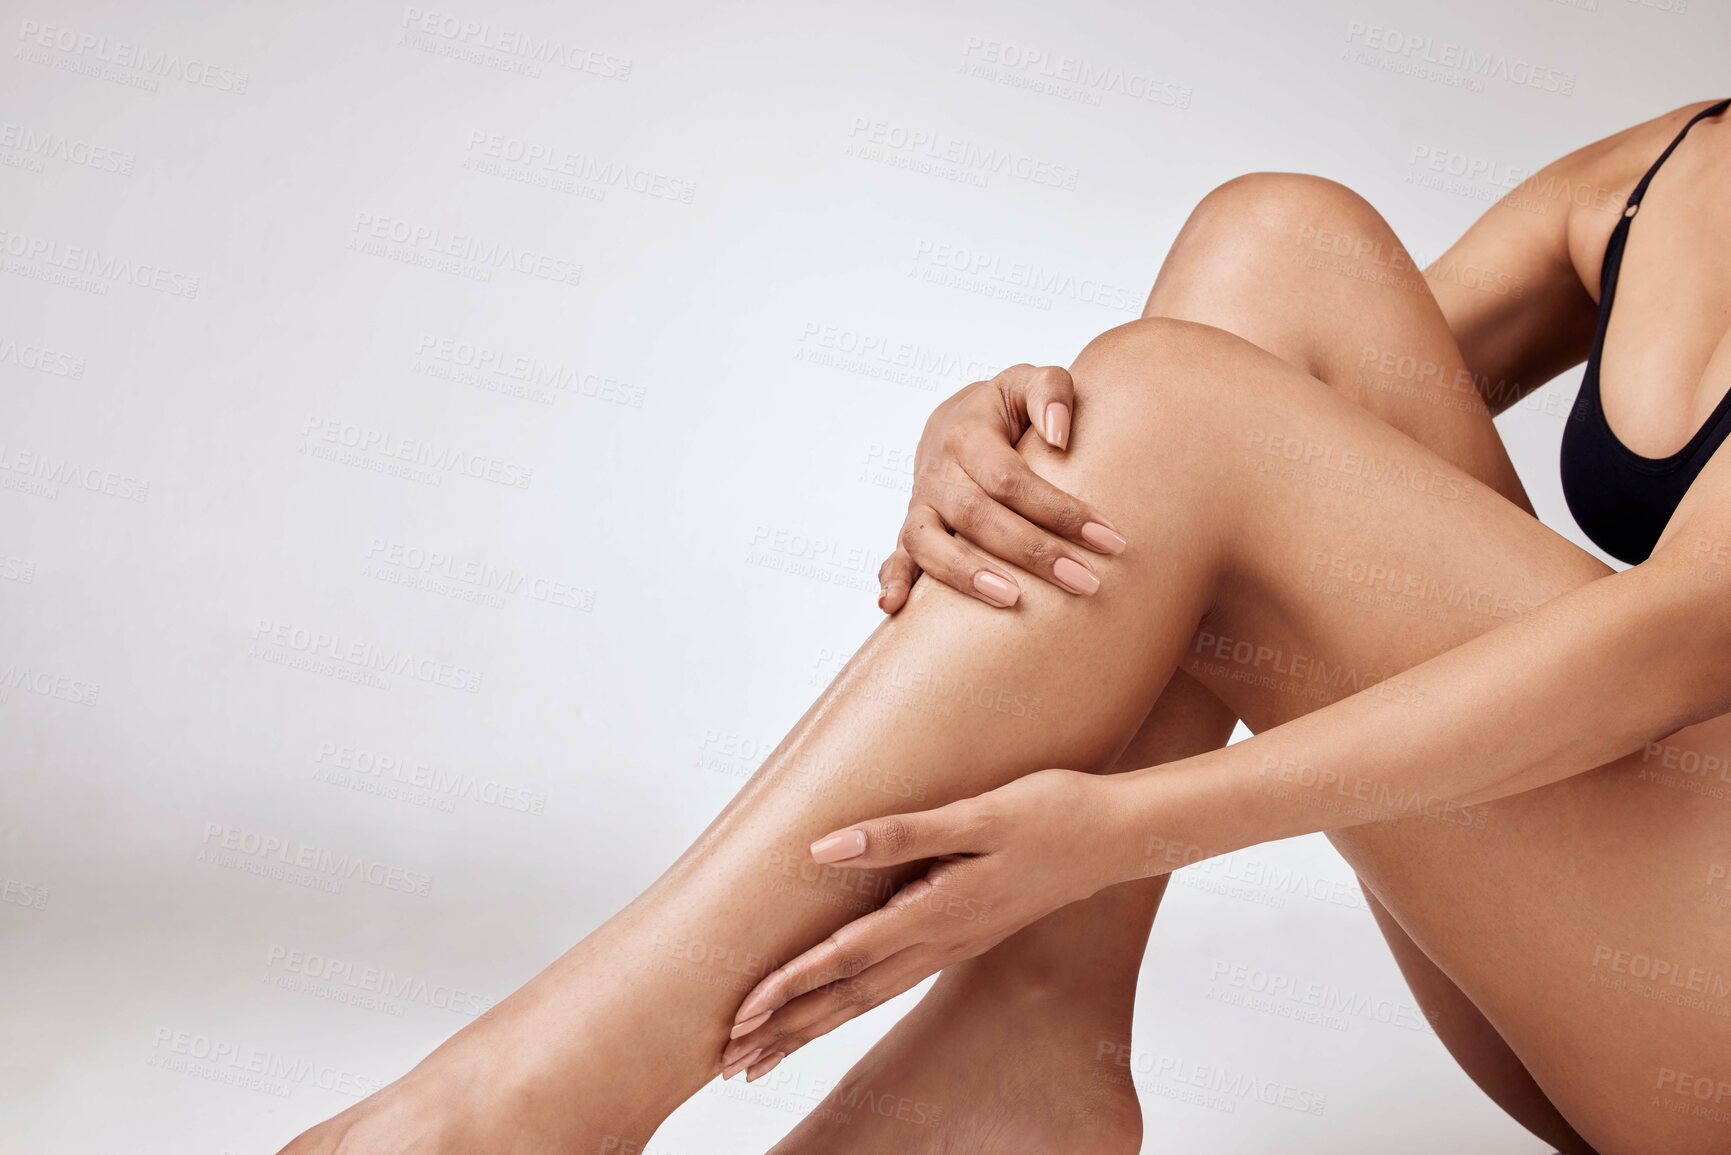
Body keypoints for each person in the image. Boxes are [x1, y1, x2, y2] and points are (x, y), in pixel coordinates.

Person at [283, 98, 1731, 1155]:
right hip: (1651, 981)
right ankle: (1031, 1028)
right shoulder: (1656, 168)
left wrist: (1124, 823)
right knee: (1271, 244)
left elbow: (1678, 646)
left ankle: (540, 1103)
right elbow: (1265, 412)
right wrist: (1001, 446)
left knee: (1181, 404)